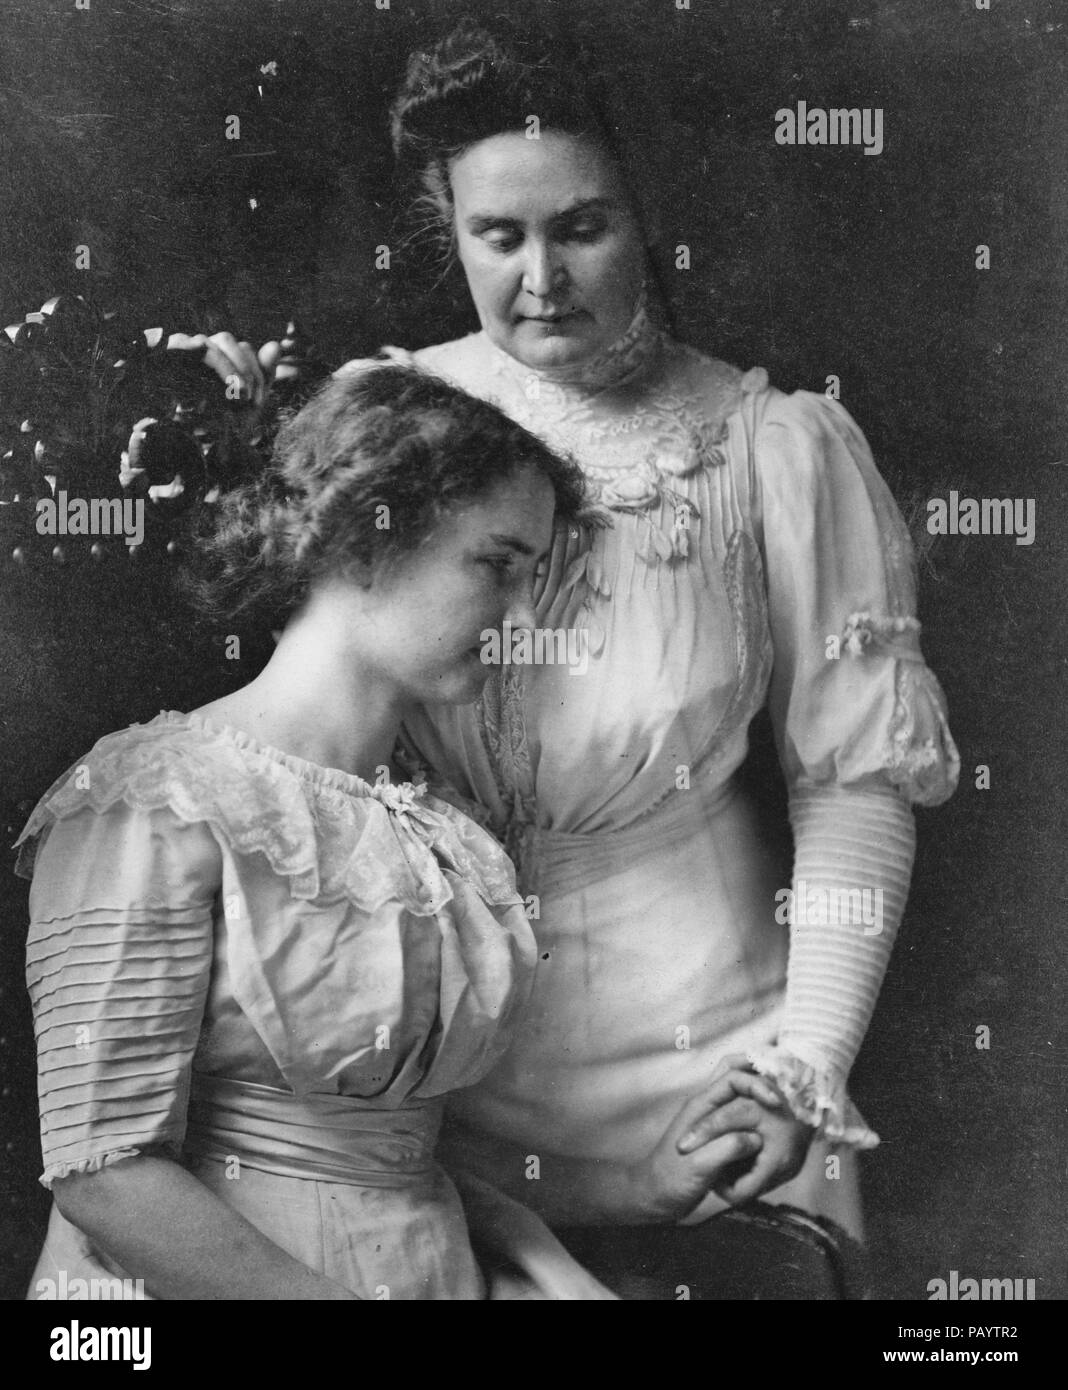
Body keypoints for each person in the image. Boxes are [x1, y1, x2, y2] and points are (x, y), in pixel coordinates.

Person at [180, 21, 961, 1275]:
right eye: (499, 237)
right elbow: (300, 754)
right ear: (450, 228)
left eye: (581, 226)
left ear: (648, 215)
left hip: (717, 1079)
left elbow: (853, 785)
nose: (541, 277)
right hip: (425, 1080)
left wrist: (803, 1064)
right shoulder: (379, 418)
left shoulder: (777, 448)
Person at [18, 364, 773, 1300]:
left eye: (534, 576)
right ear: (364, 541)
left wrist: (639, 1186)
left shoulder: (438, 831)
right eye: (498, 566)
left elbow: (391, 1159)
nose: (524, 617)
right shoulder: (150, 798)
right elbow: (105, 1176)